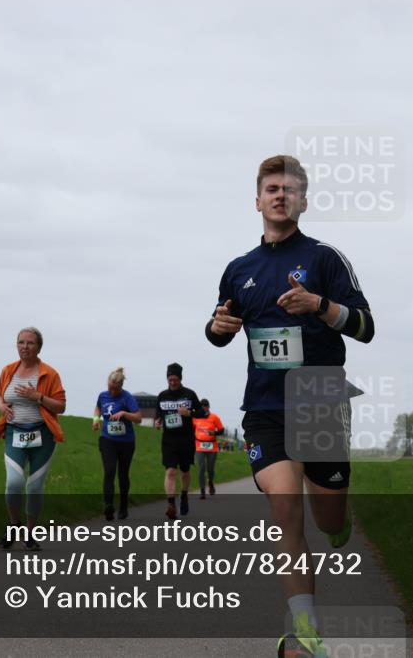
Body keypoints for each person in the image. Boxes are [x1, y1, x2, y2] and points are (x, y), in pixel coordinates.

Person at [205, 155, 374, 658]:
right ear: (257, 200)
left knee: (326, 518)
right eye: (272, 189)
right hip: (264, 407)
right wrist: (217, 329)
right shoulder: (239, 270)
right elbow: (217, 331)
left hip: (319, 400)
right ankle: (306, 634)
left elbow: (366, 327)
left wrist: (319, 306)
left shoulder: (325, 259)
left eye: (290, 189)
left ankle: (338, 522)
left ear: (303, 200)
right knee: (283, 503)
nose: (280, 195)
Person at [0, 327, 66, 551]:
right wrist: (1, 406)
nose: (25, 346)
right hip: (14, 433)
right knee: (14, 484)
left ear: (39, 347)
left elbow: (61, 406)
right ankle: (14, 525)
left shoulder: (49, 374)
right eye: (21, 342)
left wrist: (38, 397)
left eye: (30, 343)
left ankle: (31, 534)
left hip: (42, 435)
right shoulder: (8, 371)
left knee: (34, 488)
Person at [153, 363, 203, 520]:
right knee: (170, 471)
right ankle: (171, 504)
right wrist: (157, 421)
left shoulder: (189, 394)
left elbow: (202, 413)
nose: (172, 382)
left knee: (185, 471)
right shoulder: (162, 396)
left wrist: (189, 412)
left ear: (180, 379)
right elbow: (158, 414)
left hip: (186, 438)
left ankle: (184, 495)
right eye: (170, 379)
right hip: (169, 439)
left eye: (175, 379)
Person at [92, 367, 142, 520]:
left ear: (121, 387)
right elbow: (98, 408)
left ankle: (123, 506)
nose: (112, 392)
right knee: (109, 471)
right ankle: (108, 505)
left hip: (126, 442)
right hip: (108, 440)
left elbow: (139, 418)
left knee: (122, 474)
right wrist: (96, 421)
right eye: (110, 388)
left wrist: (125, 414)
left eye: (115, 389)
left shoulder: (127, 398)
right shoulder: (103, 395)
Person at [193, 398, 225, 499]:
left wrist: (214, 433)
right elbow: (191, 429)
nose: (203, 407)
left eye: (205, 406)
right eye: (202, 406)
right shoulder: (195, 418)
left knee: (210, 469)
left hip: (212, 446)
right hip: (199, 445)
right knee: (201, 467)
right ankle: (202, 491)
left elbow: (221, 430)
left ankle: (210, 482)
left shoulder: (214, 417)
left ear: (208, 407)